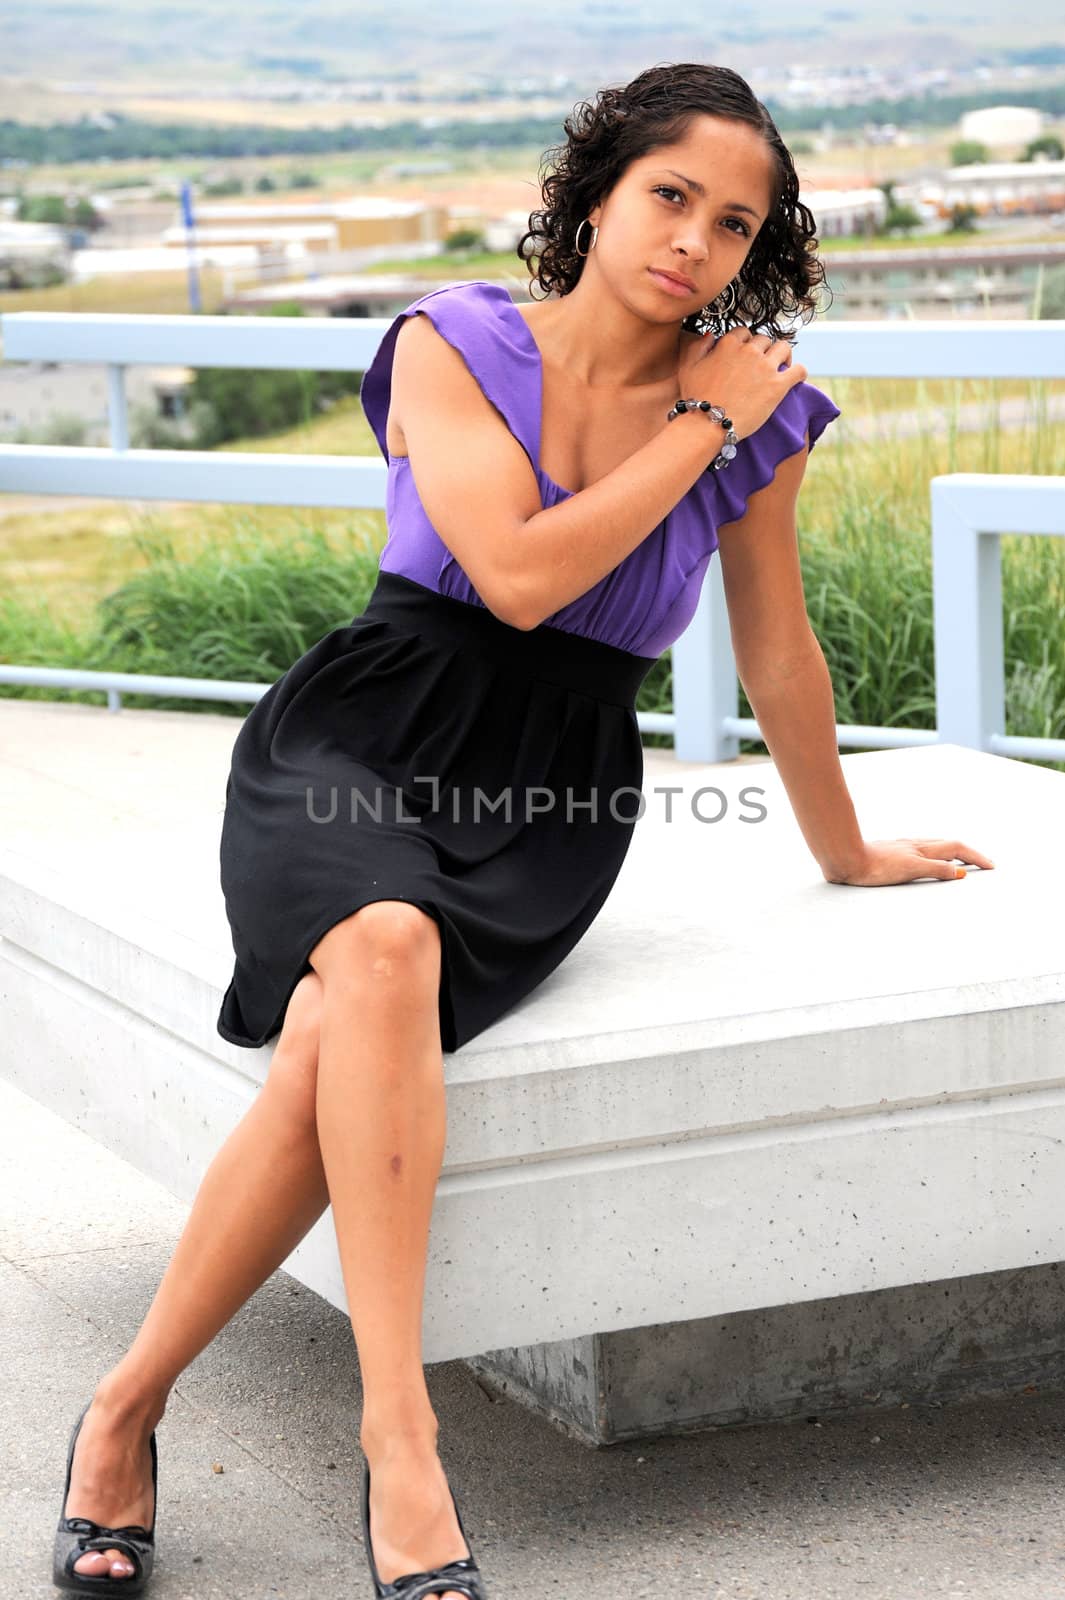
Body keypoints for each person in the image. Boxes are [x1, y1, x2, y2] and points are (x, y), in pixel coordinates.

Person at [51, 59, 993, 1600]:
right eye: (669, 196)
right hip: (361, 729)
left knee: (355, 1006)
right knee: (379, 937)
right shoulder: (455, 341)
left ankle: (125, 1406)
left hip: (546, 790)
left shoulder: (771, 423)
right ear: (597, 195)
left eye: (735, 224)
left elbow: (777, 655)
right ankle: (402, 1438)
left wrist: (846, 849)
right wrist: (699, 423)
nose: (694, 241)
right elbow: (516, 578)